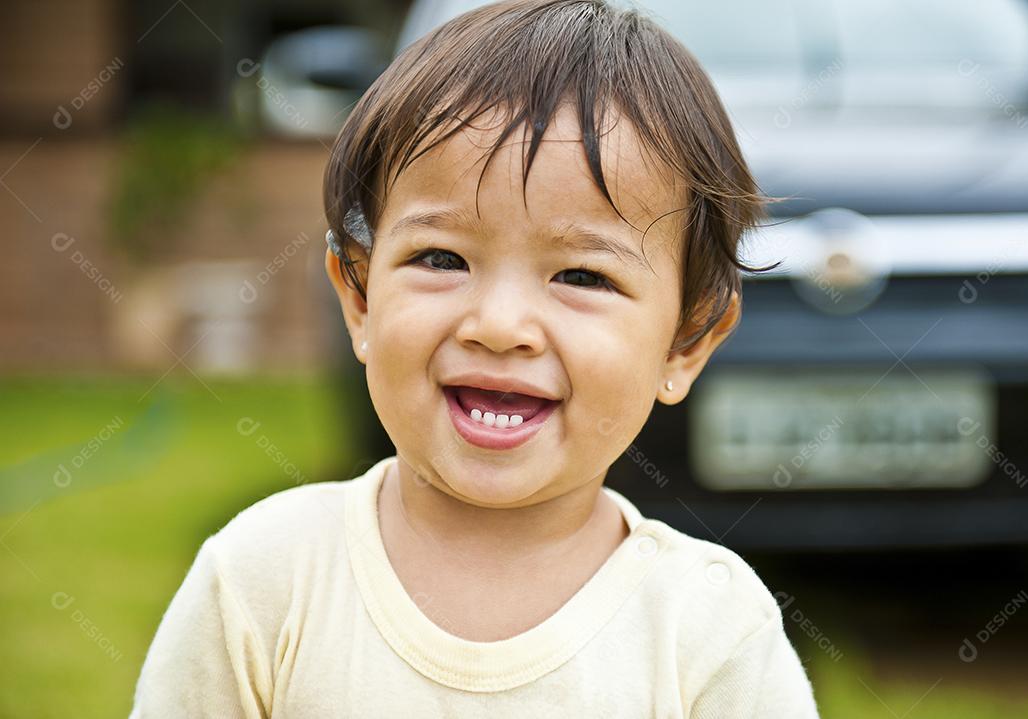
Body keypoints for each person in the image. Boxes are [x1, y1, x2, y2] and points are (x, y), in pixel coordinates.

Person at [129, 0, 819, 716]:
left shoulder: (708, 628)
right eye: (442, 257)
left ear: (687, 341)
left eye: (581, 276)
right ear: (360, 299)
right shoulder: (262, 580)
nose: (498, 325)